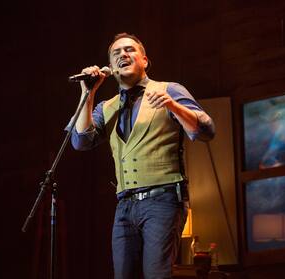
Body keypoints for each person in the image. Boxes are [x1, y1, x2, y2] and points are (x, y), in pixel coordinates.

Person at [69, 33, 215, 279]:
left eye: (129, 50)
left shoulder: (169, 90)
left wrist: (173, 106)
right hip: (124, 205)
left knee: (156, 274)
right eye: (116, 54)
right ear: (111, 68)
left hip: (163, 200)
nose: (122, 55)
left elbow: (207, 130)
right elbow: (80, 141)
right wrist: (88, 92)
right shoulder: (105, 107)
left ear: (144, 60)